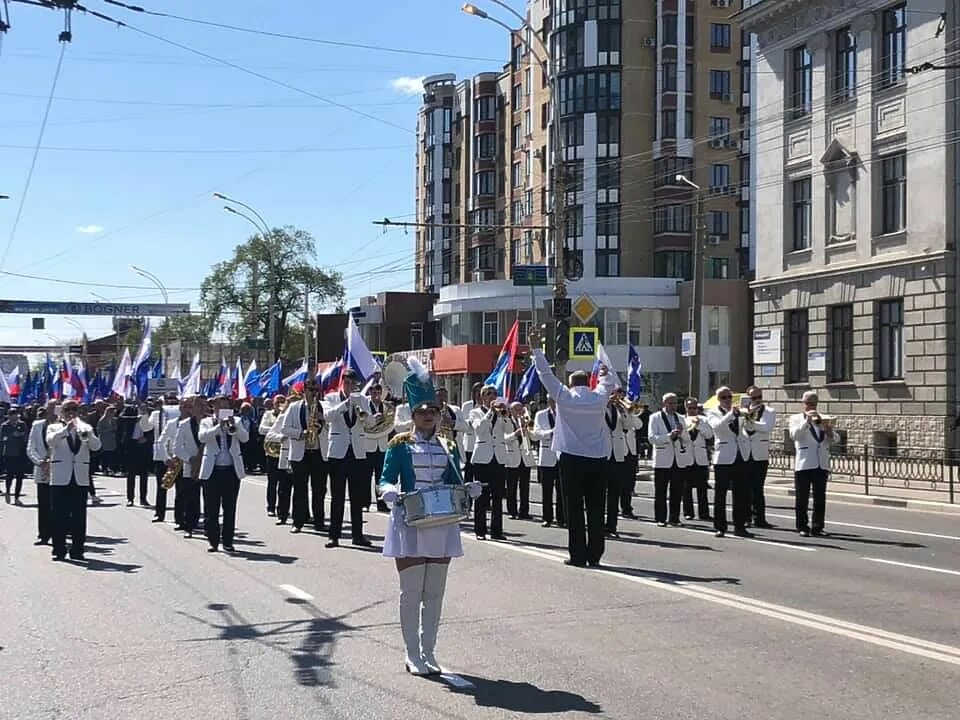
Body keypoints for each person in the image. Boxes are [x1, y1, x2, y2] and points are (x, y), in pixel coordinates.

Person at [377, 359, 481, 675]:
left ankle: (429, 651)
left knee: (434, 592)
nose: (428, 416)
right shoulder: (399, 443)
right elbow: (384, 478)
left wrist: (469, 489)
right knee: (412, 592)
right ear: (413, 414)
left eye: (432, 411)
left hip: (442, 524)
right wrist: (388, 492)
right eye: (422, 412)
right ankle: (412, 653)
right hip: (409, 522)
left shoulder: (449, 445)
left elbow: (454, 481)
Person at [529, 329, 616, 568]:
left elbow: (545, 374)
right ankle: (595, 554)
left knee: (574, 508)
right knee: (597, 507)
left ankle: (578, 555)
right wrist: (605, 372)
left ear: (570, 383)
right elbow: (609, 381)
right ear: (588, 382)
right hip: (597, 458)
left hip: (571, 459)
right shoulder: (599, 397)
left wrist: (536, 348)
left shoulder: (564, 397)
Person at [46, 400, 101, 561]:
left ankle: (78, 550)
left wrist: (88, 435)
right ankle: (59, 549)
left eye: (74, 409)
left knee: (79, 516)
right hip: (60, 478)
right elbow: (51, 441)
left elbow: (96, 446)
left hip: (80, 478)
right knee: (59, 516)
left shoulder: (86, 427)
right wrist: (66, 429)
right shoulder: (54, 427)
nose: (71, 412)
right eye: (67, 409)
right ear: (61, 412)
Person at [324, 369, 372, 548]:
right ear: (342, 382)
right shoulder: (331, 398)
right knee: (337, 496)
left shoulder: (362, 399)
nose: (350, 386)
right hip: (338, 452)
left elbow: (371, 422)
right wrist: (345, 403)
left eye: (353, 383)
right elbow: (328, 417)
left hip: (357, 452)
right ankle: (334, 535)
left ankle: (358, 535)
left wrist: (366, 415)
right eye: (348, 383)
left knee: (356, 497)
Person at [197, 396, 249, 553]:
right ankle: (213, 540)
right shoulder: (206, 422)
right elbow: (202, 437)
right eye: (220, 405)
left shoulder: (237, 421)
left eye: (225, 405)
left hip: (231, 470)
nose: (222, 408)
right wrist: (219, 427)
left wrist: (234, 426)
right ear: (214, 407)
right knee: (211, 508)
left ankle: (228, 541)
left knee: (229, 507)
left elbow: (245, 438)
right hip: (212, 471)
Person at [278, 383, 327, 533]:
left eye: (316, 390)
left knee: (319, 490)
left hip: (318, 452)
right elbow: (284, 428)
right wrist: (300, 433)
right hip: (300, 453)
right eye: (311, 390)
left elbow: (333, 429)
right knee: (300, 489)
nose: (314, 393)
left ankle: (319, 521)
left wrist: (322, 421)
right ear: (304, 391)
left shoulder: (324, 407)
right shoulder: (294, 407)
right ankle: (298, 522)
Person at [789, 391, 838, 537]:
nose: (811, 406)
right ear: (803, 403)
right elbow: (794, 435)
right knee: (802, 497)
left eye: (813, 403)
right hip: (804, 464)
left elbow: (835, 439)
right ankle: (802, 526)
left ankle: (818, 527)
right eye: (808, 403)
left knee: (820, 497)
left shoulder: (823, 418)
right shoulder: (796, 418)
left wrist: (829, 430)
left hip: (821, 464)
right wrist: (807, 422)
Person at [707, 387, 753, 538]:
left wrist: (749, 417)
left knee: (740, 494)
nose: (727, 400)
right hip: (724, 457)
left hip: (740, 455)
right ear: (718, 399)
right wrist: (730, 414)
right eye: (724, 397)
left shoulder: (739, 412)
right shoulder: (712, 412)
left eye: (729, 397)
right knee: (720, 494)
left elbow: (748, 429)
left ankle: (739, 526)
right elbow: (717, 427)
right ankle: (720, 526)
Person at [468, 385, 509, 541]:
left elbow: (508, 429)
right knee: (481, 496)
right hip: (482, 458)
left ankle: (497, 531)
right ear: (482, 397)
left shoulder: (501, 413)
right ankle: (480, 530)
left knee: (498, 496)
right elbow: (479, 430)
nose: (493, 396)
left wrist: (505, 416)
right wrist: (491, 412)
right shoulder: (475, 412)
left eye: (495, 394)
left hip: (498, 458)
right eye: (489, 394)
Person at [648, 393, 692, 527]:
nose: (673, 406)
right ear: (664, 404)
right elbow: (652, 438)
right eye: (670, 403)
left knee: (677, 490)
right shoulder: (655, 417)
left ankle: (674, 517)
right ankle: (660, 518)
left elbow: (688, 439)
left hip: (678, 459)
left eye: (675, 403)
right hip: (662, 459)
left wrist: (682, 432)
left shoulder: (680, 418)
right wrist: (669, 436)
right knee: (661, 491)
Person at [743, 385, 776, 529]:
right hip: (745, 452)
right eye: (753, 398)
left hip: (760, 454)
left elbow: (766, 427)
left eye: (759, 397)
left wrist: (751, 421)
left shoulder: (769, 411)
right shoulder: (742, 411)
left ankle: (759, 518)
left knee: (758, 488)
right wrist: (747, 415)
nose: (757, 400)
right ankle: (746, 517)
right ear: (748, 397)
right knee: (745, 488)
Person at [173, 396, 205, 538]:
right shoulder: (184, 424)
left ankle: (209, 526)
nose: (201, 408)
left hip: (209, 465)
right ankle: (189, 526)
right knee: (191, 498)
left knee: (210, 498)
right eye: (197, 405)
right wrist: (190, 459)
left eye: (203, 405)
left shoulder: (212, 422)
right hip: (191, 466)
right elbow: (177, 448)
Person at [27, 401, 56, 546]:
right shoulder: (37, 426)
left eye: (56, 407)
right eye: (50, 407)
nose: (52, 410)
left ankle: (59, 534)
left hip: (59, 471)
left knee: (57, 505)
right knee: (44, 504)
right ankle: (43, 535)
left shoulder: (64, 426)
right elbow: (31, 448)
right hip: (42, 470)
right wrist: (41, 462)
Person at [532, 397, 563, 527]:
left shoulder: (564, 413)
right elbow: (536, 433)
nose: (555, 404)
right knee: (547, 490)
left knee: (561, 490)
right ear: (549, 402)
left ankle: (562, 518)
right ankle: (547, 517)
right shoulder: (541, 414)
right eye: (552, 401)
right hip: (546, 455)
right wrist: (551, 433)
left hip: (562, 455)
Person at [681, 397, 713, 521]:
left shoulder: (704, 420)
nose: (693, 410)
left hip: (700, 458)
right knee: (686, 488)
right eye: (690, 408)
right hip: (686, 458)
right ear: (686, 408)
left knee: (702, 488)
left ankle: (704, 513)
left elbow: (709, 435)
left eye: (695, 408)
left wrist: (699, 425)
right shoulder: (681, 419)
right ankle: (688, 512)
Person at [363, 384, 392, 512]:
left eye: (378, 393)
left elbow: (390, 424)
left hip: (381, 444)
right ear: (370, 392)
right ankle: (365, 502)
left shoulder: (386, 407)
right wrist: (373, 420)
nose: (376, 395)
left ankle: (381, 503)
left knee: (380, 478)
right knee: (366, 476)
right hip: (368, 444)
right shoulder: (364, 406)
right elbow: (362, 423)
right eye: (374, 392)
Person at [259, 395, 286, 517]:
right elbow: (261, 429)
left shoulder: (286, 415)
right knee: (272, 482)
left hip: (283, 451)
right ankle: (271, 507)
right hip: (271, 452)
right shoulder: (268, 414)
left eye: (282, 402)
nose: (279, 404)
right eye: (277, 402)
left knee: (284, 482)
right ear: (273, 403)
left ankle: (282, 508)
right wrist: (275, 429)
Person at [2, 407, 29, 502]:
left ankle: (17, 497)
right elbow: (3, 438)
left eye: (15, 416)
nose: (14, 418)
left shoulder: (22, 424)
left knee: (19, 476)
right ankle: (8, 491)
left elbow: (26, 436)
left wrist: (21, 435)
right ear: (9, 416)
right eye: (12, 416)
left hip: (20, 453)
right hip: (9, 453)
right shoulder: (5, 426)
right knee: (9, 475)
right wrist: (12, 436)